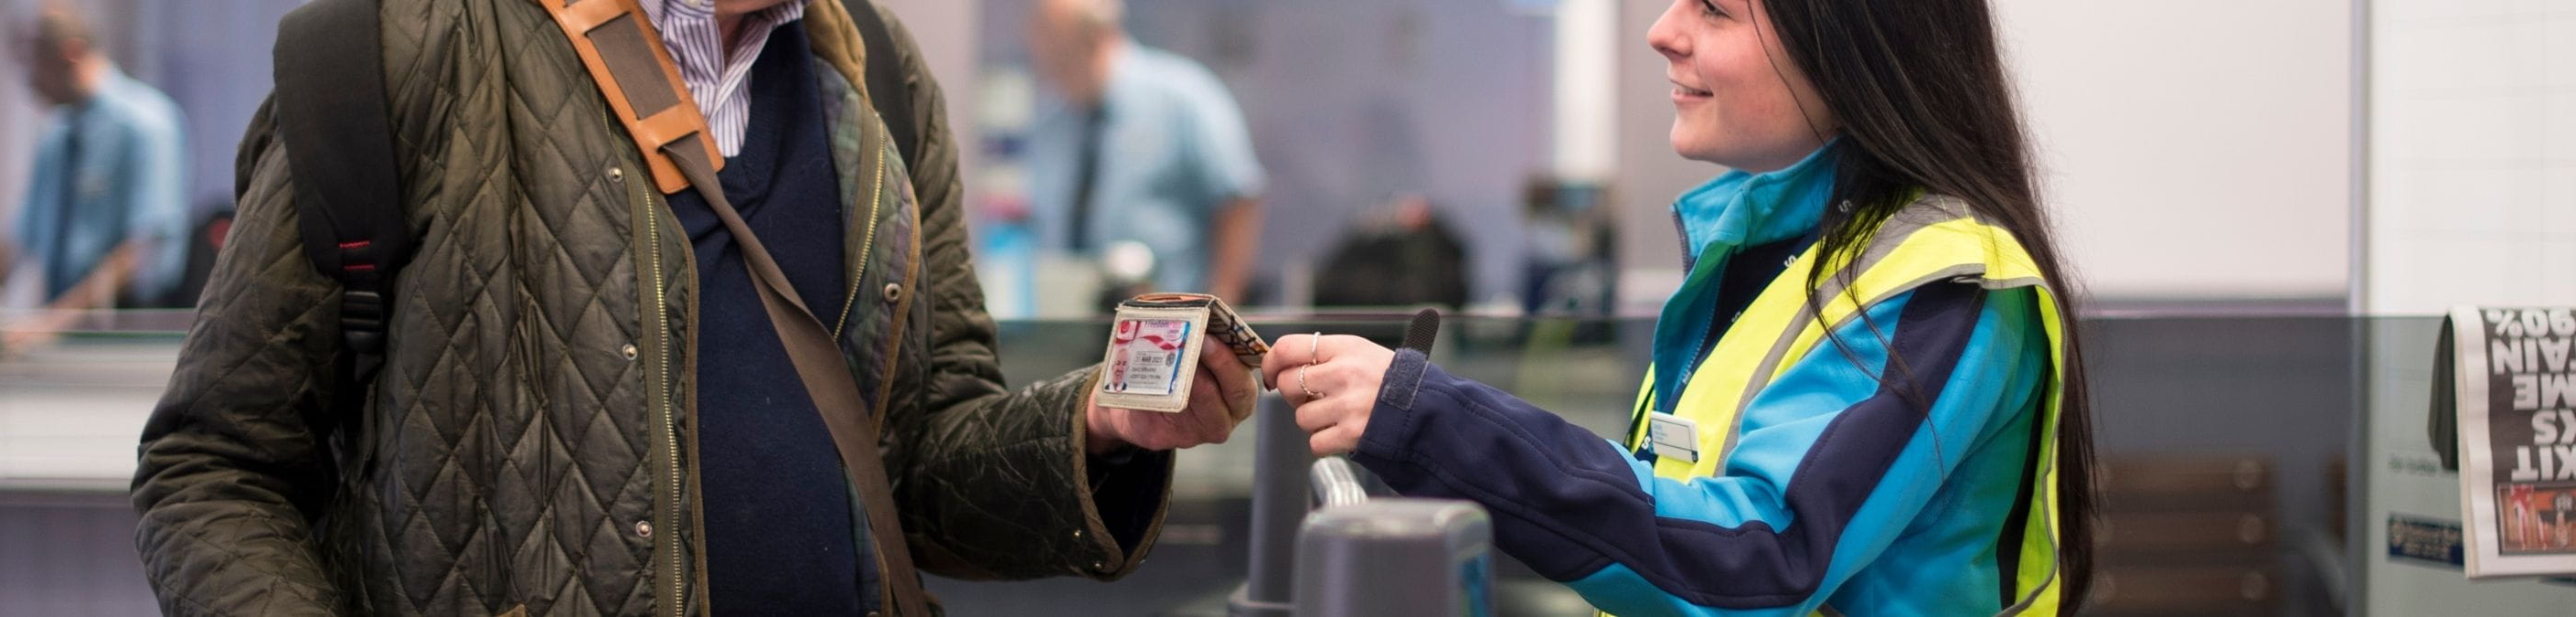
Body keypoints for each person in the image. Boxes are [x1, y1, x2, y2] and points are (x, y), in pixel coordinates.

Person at [130, 0, 1256, 614]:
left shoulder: (877, 75)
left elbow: (918, 465)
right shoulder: (405, 48)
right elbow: (213, 468)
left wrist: (1101, 430)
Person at [1259, 0, 2096, 614]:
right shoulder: (1757, 249)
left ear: (1852, 47)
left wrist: (1433, 419)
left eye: (1717, 10)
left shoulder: (1948, 288)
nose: (1664, 29)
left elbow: (1759, 559)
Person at [1023, 0, 1265, 302]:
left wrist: (1220, 307)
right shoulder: (1051, 120)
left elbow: (1237, 197)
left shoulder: (1184, 96)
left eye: (1053, 39)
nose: (1041, 51)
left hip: (1169, 326)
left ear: (1096, 35)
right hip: (1070, 324)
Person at [0, 4, 189, 336]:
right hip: (66, 331)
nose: (29, 81)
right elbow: (21, 236)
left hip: (127, 330)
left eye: (35, 63)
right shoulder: (56, 136)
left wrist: (51, 322)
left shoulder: (147, 123)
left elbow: (146, 248)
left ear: (71, 54)